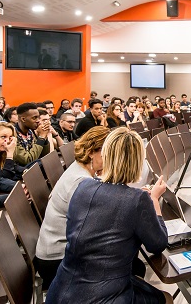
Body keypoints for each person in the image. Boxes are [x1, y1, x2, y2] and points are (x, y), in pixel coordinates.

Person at [45, 128, 171, 304]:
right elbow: (158, 244)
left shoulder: (84, 187)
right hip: (102, 296)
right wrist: (154, 200)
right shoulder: (138, 199)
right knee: (164, 298)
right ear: (138, 162)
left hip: (61, 290)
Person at [34, 126, 109, 287]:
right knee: (128, 263)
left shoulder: (80, 168)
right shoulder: (80, 181)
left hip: (59, 250)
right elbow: (95, 227)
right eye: (108, 153)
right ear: (91, 152)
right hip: (58, 260)